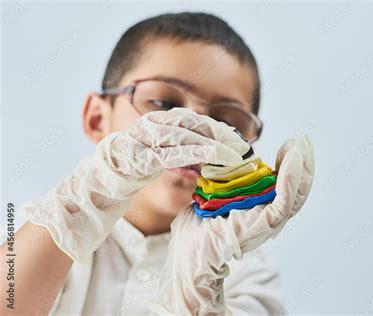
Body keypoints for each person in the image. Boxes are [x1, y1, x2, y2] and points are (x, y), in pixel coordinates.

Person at [0, 12, 314, 315]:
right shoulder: (27, 238)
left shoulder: (248, 277)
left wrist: (199, 283)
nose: (192, 130)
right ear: (97, 117)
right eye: (164, 104)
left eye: (226, 122)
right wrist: (79, 205)